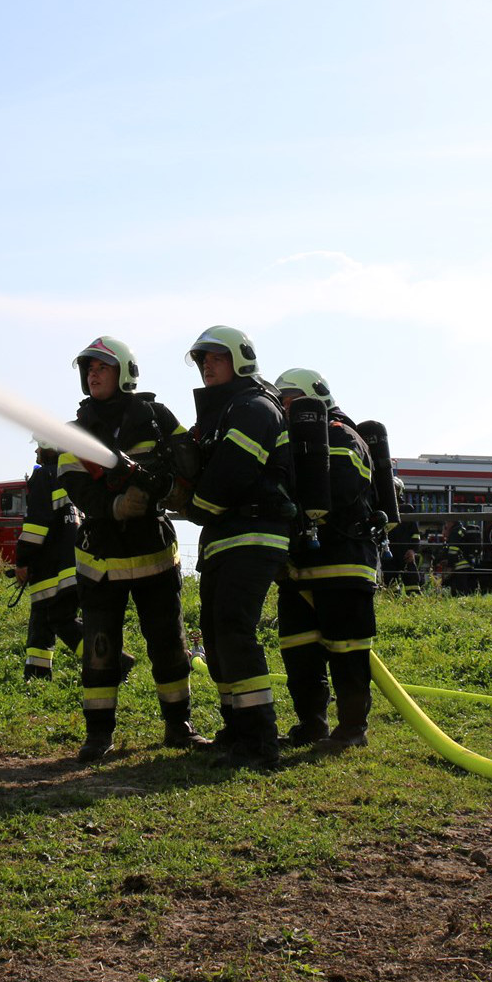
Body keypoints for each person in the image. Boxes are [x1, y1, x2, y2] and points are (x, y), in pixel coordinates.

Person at [56, 337, 207, 761]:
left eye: (101, 367)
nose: (93, 374)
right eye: (88, 369)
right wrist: (115, 505)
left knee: (169, 644)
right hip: (100, 558)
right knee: (100, 648)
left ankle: (180, 727)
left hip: (154, 554)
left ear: (124, 371)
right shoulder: (75, 433)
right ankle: (98, 736)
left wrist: (176, 487)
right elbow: (77, 486)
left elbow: (188, 458)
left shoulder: (156, 417)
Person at [183, 325, 292, 767]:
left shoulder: (253, 407)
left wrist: (194, 505)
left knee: (234, 629)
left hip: (254, 531)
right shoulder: (224, 410)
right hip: (226, 534)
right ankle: (235, 727)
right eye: (201, 360)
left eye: (215, 357)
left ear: (240, 359)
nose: (207, 366)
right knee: (215, 628)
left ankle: (260, 741)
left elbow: (232, 470)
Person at [272, 368, 379, 751]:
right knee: (299, 649)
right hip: (299, 568)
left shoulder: (340, 435)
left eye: (287, 400)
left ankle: (352, 730)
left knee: (347, 650)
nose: (281, 408)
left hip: (342, 563)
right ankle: (312, 724)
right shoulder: (293, 442)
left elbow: (344, 487)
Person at [15, 441, 83, 681]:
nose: (36, 452)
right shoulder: (74, 476)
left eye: (39, 447)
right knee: (42, 620)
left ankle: (110, 661)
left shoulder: (44, 476)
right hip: (78, 566)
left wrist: (22, 560)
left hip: (52, 569)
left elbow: (36, 527)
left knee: (59, 620)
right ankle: (36, 674)